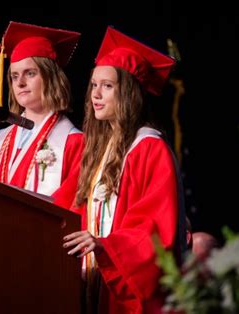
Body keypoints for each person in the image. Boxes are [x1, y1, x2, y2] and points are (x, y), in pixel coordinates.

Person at [57, 26, 186, 314]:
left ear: (127, 93)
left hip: (122, 288)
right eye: (93, 85)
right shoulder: (97, 151)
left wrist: (105, 246)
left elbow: (155, 229)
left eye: (107, 86)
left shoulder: (150, 148)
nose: (96, 94)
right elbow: (64, 205)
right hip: (86, 281)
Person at [0, 21, 84, 197]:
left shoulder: (75, 143)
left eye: (30, 73)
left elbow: (71, 204)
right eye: (14, 76)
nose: (20, 83)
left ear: (51, 78)